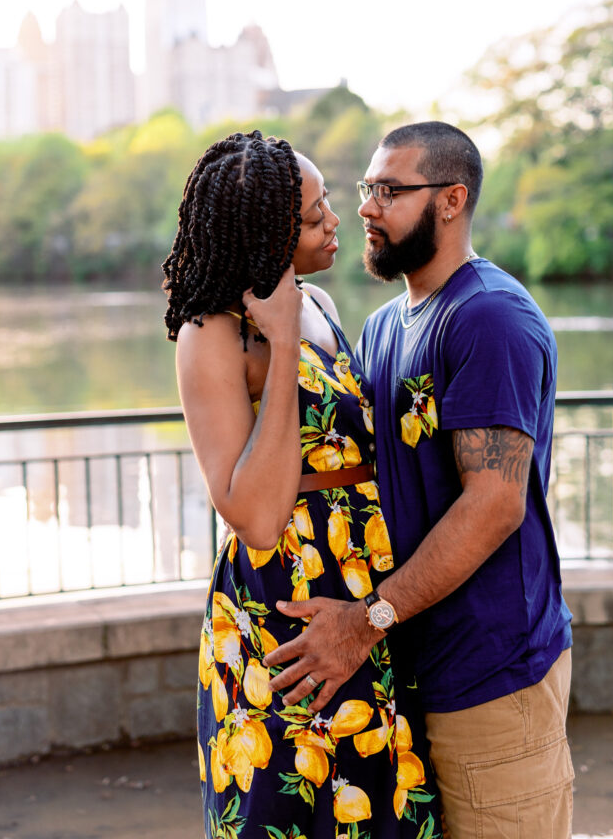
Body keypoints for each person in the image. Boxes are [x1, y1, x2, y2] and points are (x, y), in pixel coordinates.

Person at [263, 122, 574, 838]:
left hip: (490, 676)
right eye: (367, 189)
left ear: (450, 200)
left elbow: (494, 504)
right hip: (404, 675)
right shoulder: (380, 327)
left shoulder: (488, 318)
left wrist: (364, 621)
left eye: (391, 191)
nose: (367, 207)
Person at [162, 129, 441, 839]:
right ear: (265, 235)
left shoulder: (321, 305)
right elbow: (253, 516)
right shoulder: (214, 333)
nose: (335, 221)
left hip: (360, 594)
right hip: (282, 610)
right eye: (315, 214)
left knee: (379, 801)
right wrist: (281, 342)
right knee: (292, 807)